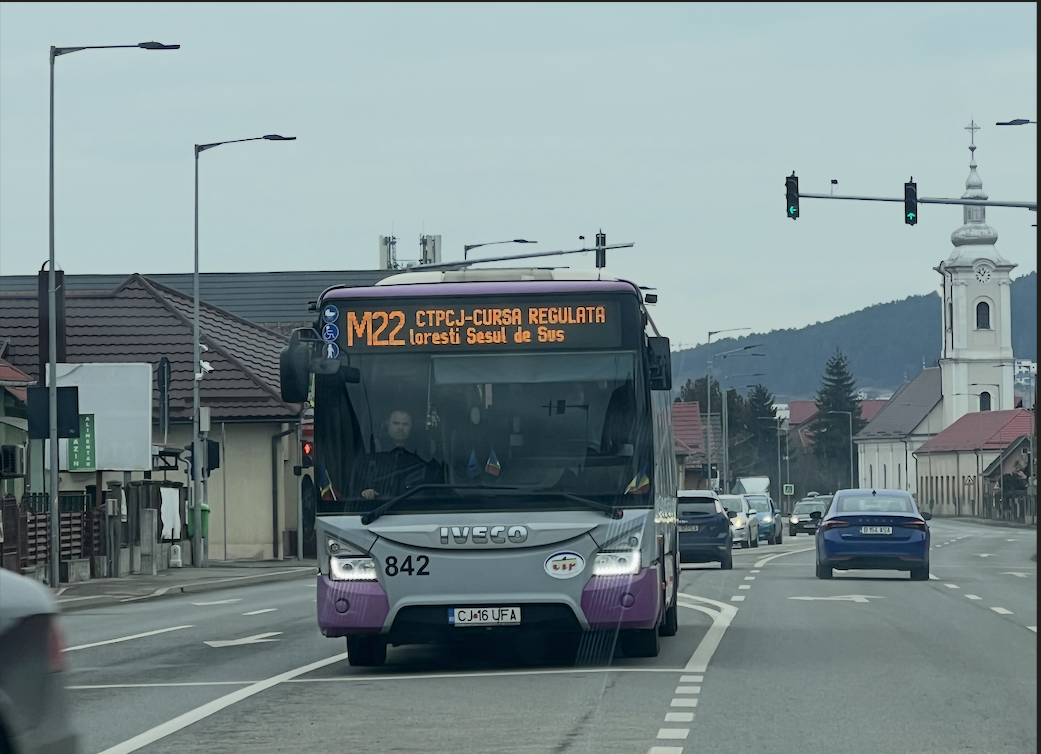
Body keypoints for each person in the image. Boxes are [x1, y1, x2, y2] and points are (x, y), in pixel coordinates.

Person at [352, 410, 440, 500]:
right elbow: (356, 485)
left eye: (405, 424)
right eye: (396, 423)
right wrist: (365, 491)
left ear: (412, 428)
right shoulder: (372, 454)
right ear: (387, 425)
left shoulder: (423, 457)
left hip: (415, 508)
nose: (400, 428)